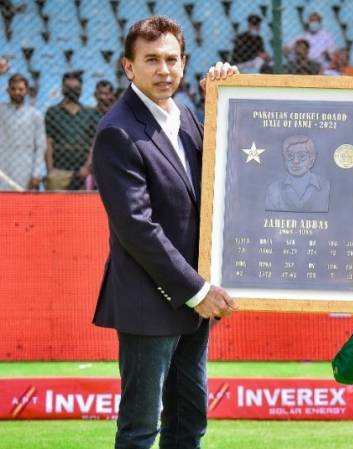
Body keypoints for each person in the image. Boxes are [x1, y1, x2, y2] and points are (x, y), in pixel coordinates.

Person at [90, 16, 239, 448]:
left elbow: (226, 175)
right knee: (140, 430)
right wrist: (196, 289)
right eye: (151, 60)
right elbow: (137, 227)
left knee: (188, 425)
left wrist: (226, 99)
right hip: (151, 301)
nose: (164, 70)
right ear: (128, 67)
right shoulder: (117, 131)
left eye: (172, 59)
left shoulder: (187, 115)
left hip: (193, 302)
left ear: (184, 63)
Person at [44, 71, 96, 190]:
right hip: (59, 170)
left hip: (82, 171)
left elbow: (93, 143)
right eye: (69, 88)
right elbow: (48, 142)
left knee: (81, 207)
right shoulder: (53, 112)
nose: (72, 91)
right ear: (62, 89)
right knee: (55, 207)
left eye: (76, 88)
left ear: (81, 90)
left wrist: (87, 167)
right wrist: (50, 170)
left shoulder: (89, 113)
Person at [0, 74, 46, 190]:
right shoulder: (1, 110)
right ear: (7, 90)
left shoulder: (35, 115)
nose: (17, 92)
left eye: (21, 89)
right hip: (3, 165)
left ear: (26, 91)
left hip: (26, 166)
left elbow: (40, 146)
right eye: (13, 89)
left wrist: (36, 173)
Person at [265, 135, 331, 213]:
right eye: (290, 155)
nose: (295, 161)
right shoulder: (274, 189)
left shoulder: (326, 186)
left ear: (312, 160)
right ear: (284, 159)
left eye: (302, 156)